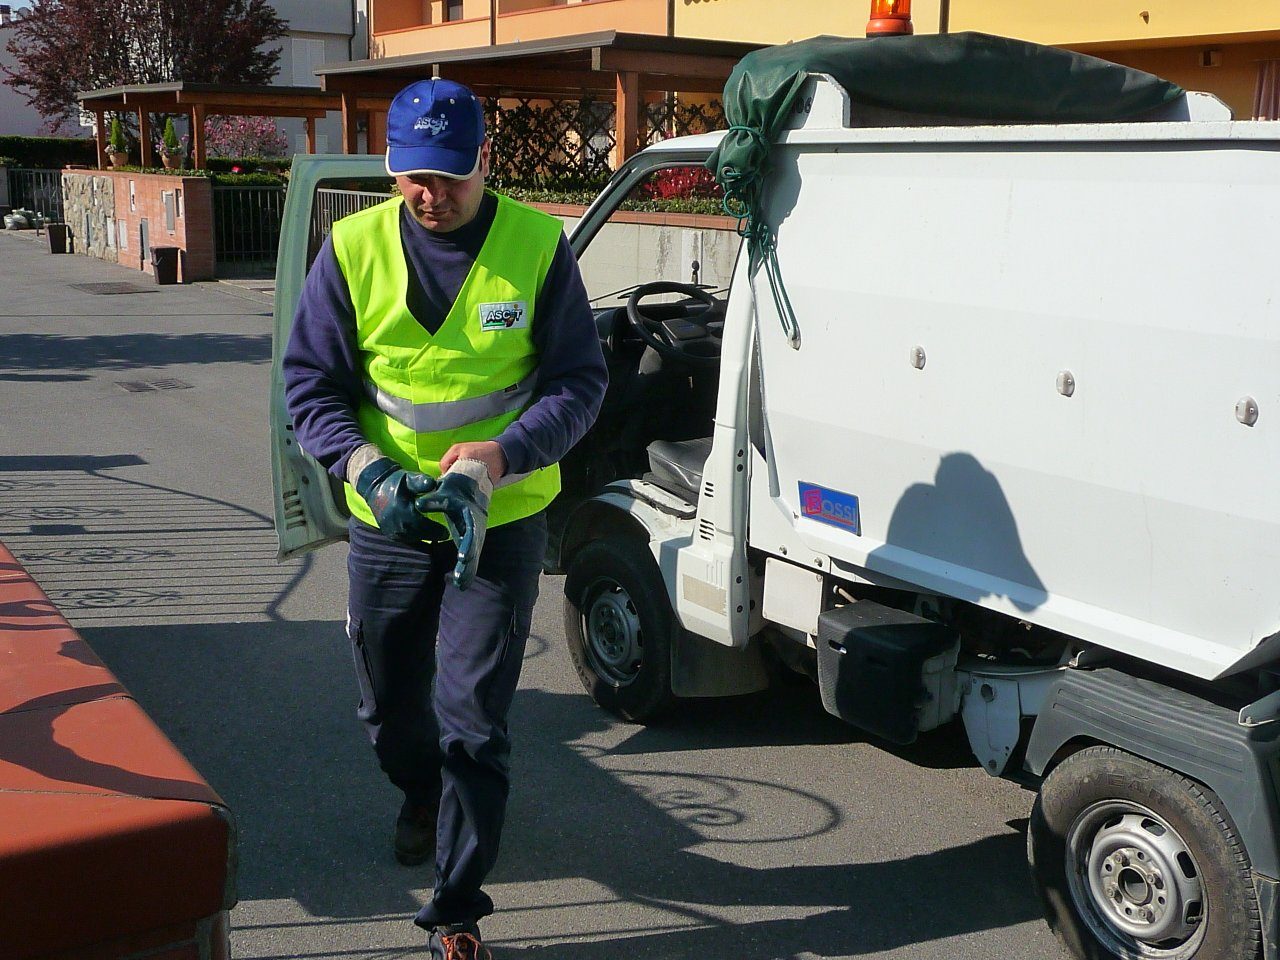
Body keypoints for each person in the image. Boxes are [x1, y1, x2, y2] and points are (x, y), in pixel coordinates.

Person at [282, 77, 607, 959]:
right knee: (390, 706)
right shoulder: (350, 249)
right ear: (391, 167)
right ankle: (417, 790)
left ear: (485, 163)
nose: (434, 195)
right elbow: (309, 386)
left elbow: (581, 382)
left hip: (494, 524)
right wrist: (364, 465)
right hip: (389, 518)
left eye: (453, 176)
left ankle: (456, 910)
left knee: (473, 718)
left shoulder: (538, 247)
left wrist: (495, 462)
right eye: (417, 177)